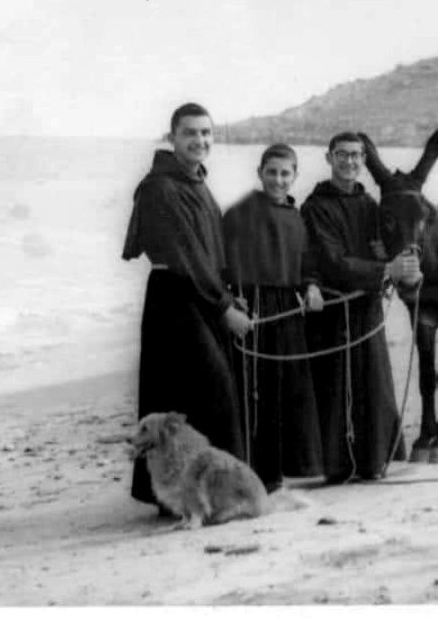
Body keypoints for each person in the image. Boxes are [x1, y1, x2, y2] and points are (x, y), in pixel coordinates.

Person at [122, 102, 254, 511]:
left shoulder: (195, 181)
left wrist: (227, 293)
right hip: (175, 301)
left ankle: (214, 494)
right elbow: (185, 256)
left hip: (200, 295)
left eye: (206, 133)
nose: (200, 140)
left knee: (205, 397)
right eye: (190, 133)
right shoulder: (160, 187)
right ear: (172, 137)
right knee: (210, 392)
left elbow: (209, 249)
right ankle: (184, 497)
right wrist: (224, 307)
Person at [301, 132, 421, 483]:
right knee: (335, 385)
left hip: (367, 308)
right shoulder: (315, 207)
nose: (349, 162)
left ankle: (373, 462)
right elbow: (332, 260)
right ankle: (337, 467)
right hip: (333, 310)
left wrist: (408, 266)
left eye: (356, 155)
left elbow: (388, 244)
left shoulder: (370, 205)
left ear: (363, 160)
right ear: (329, 158)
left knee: (373, 381)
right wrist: (385, 269)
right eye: (342, 154)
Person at [221, 143, 324, 493]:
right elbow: (221, 263)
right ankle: (257, 474)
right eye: (272, 173)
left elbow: (307, 263)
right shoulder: (239, 213)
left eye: (285, 174)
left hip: (287, 311)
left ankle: (284, 471)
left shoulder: (297, 217)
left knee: (288, 389)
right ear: (260, 173)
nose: (278, 180)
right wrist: (229, 299)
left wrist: (311, 286)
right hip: (253, 305)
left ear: (295, 176)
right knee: (256, 390)